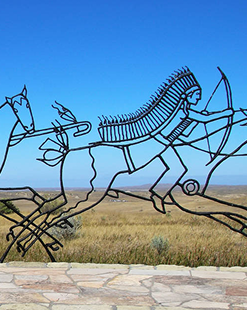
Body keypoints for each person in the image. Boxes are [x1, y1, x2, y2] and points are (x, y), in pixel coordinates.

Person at [97, 68, 233, 212]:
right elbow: (205, 119)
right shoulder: (183, 111)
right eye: (197, 95)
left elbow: (185, 134)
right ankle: (115, 186)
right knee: (132, 167)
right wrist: (227, 113)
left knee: (178, 168)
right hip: (157, 143)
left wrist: (195, 121)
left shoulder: (185, 112)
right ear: (188, 95)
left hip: (165, 144)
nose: (199, 99)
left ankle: (157, 195)